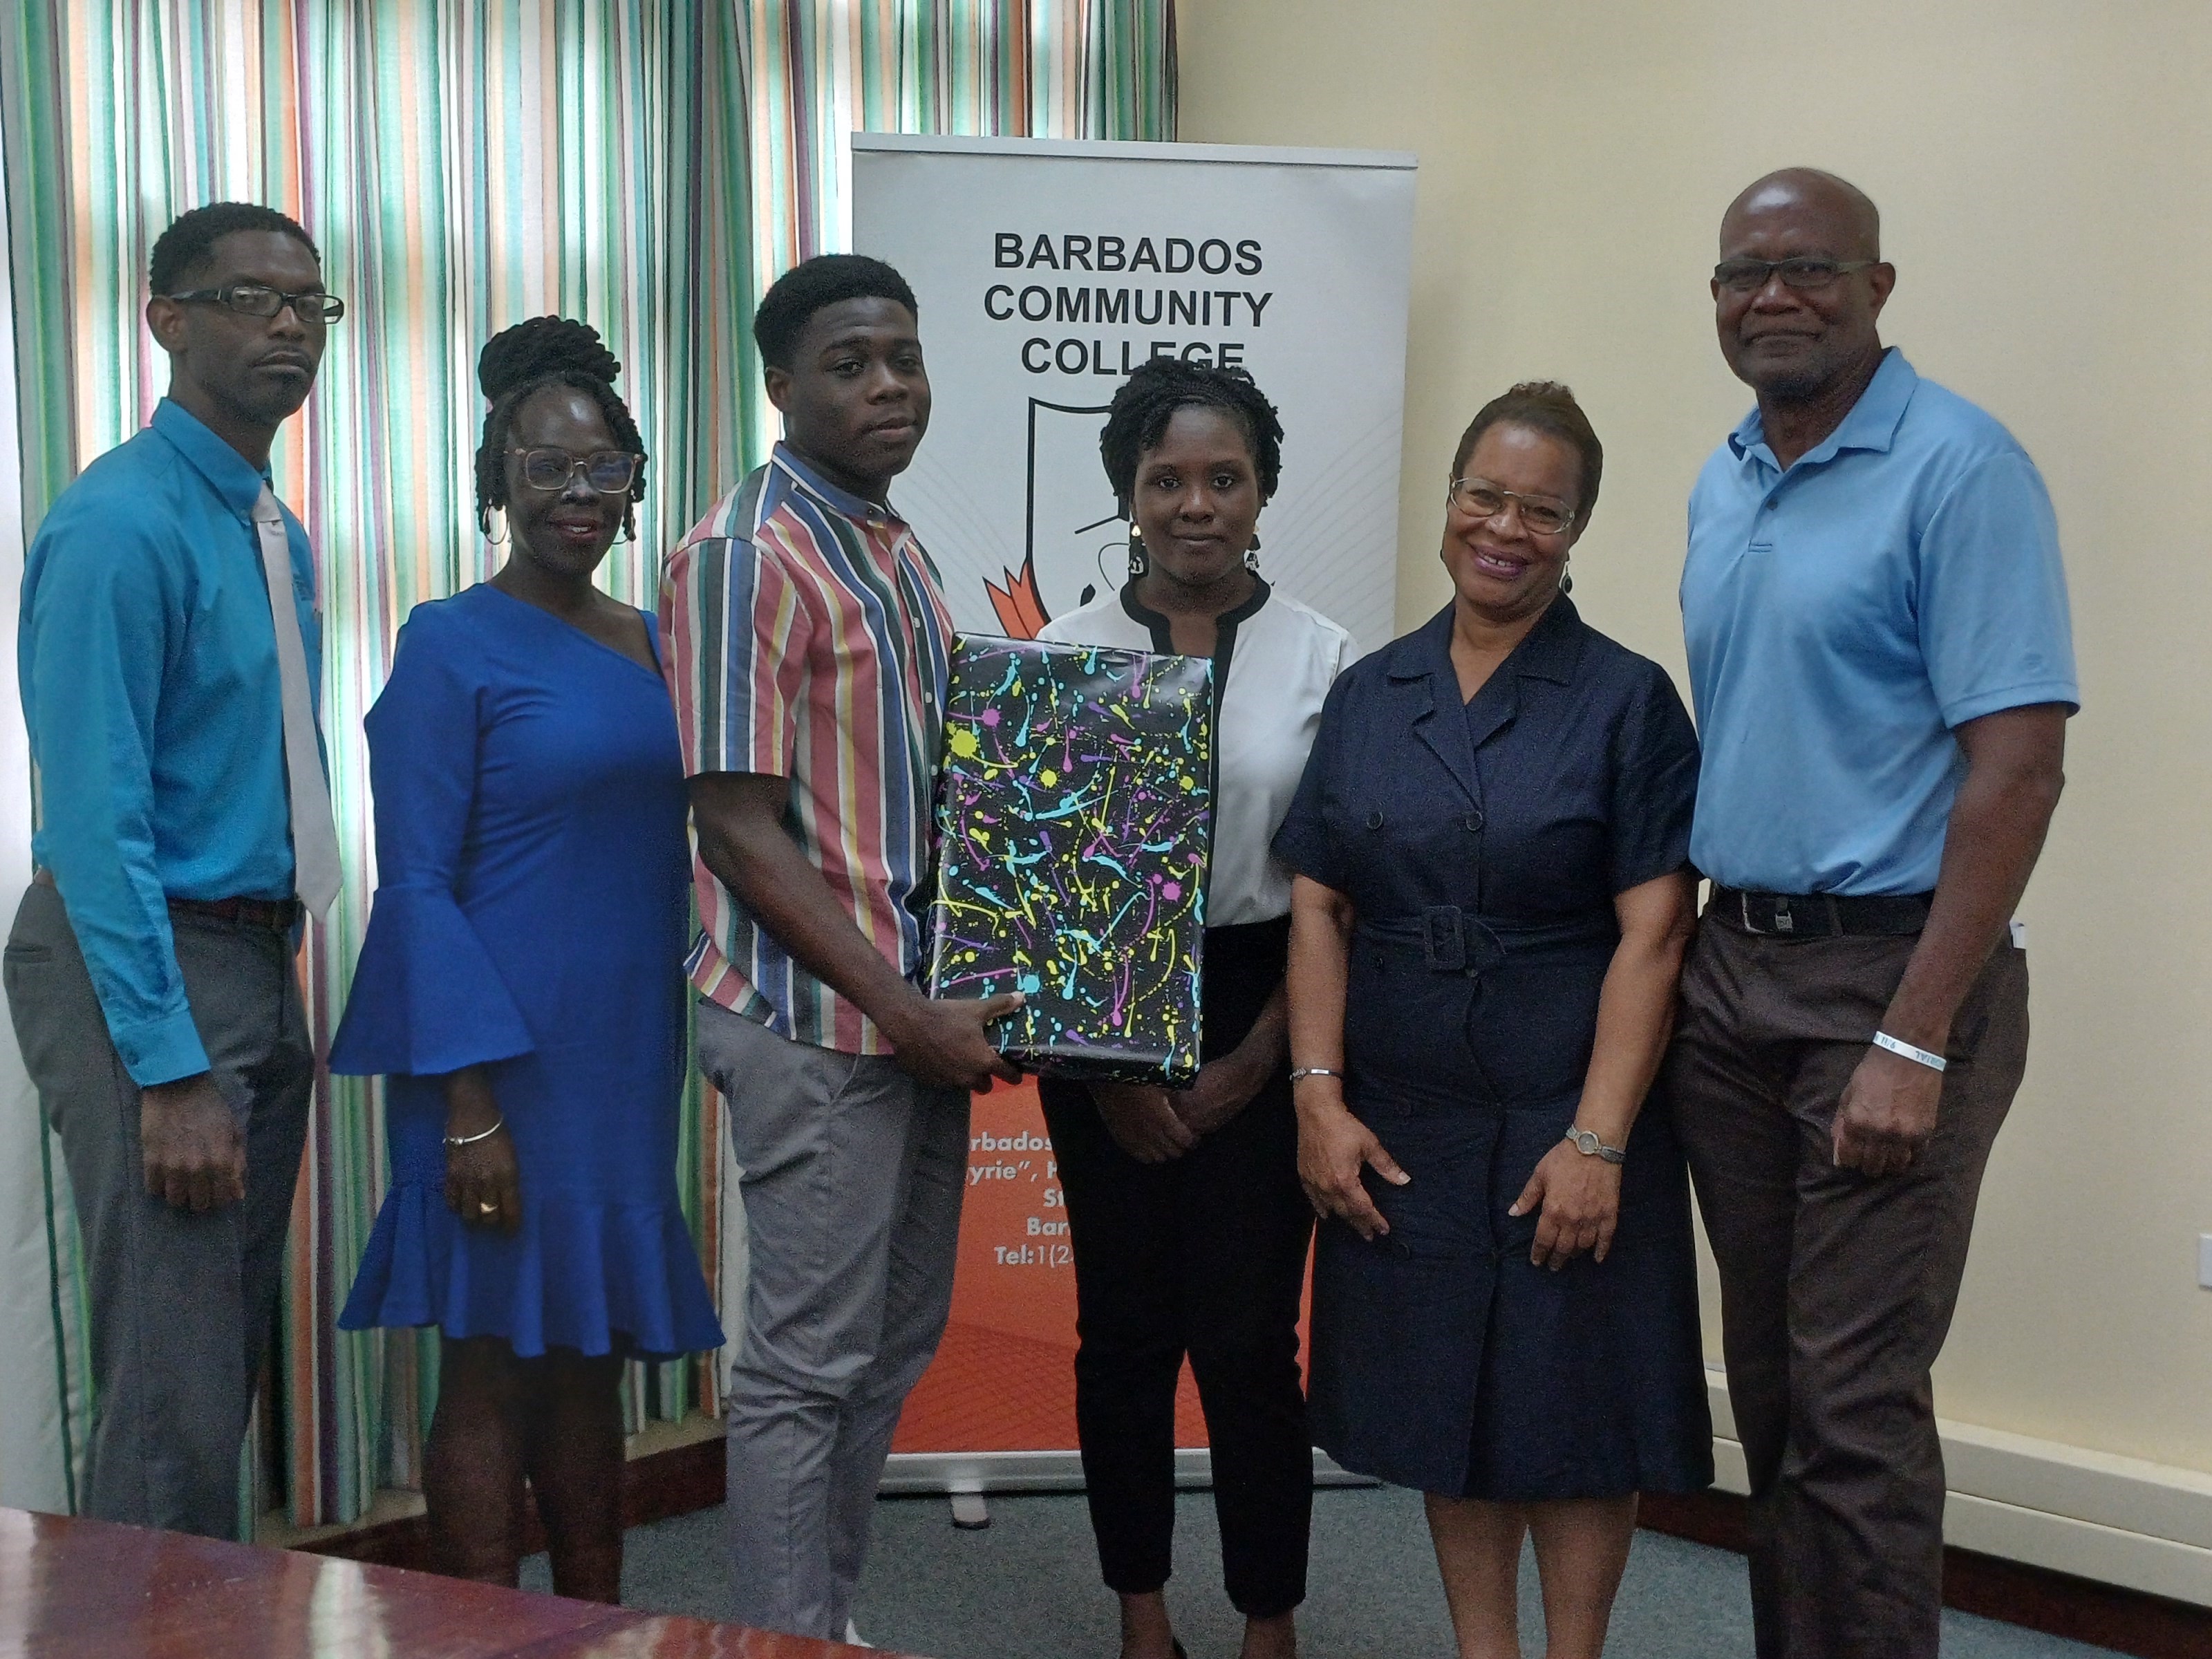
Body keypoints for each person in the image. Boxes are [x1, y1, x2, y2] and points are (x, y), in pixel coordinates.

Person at [1665, 169, 2075, 1659]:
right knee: (1775, 1393)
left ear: (1878, 288)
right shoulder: (1725, 474)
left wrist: (1915, 1038)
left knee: (1852, 1405)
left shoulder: (1963, 469)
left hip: (1889, 987)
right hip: (1733, 978)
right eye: (1743, 274)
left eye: (1809, 268)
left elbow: (2018, 773)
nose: (1773, 295)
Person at [1276, 384, 1712, 1659]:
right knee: (1446, 1414)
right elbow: (1319, 907)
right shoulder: (1372, 692)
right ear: (1451, 498)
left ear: (1577, 531)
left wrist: (1601, 1141)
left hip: (1569, 1114)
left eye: (1542, 510)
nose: (1506, 528)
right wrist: (1317, 1098)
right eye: (1486, 495)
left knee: (1576, 1418)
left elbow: (1658, 934)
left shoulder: (1627, 699)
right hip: (1409, 1120)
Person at [330, 317, 723, 1600]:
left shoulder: (659, 637)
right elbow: (418, 886)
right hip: (492, 1064)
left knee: (588, 1350)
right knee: (492, 1360)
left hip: (620, 1057)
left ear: (636, 480)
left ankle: (594, 1622)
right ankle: (481, 1636)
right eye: (545, 468)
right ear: (495, 476)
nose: (577, 495)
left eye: (603, 469)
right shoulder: (449, 639)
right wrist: (468, 1106)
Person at [660, 254, 1023, 1642]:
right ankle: (779, 1635)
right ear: (781, 386)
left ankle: (824, 1618)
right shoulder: (747, 555)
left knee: (888, 1350)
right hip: (818, 1025)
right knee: (805, 1370)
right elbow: (735, 828)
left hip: (913, 1019)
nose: (888, 387)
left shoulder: (889, 541)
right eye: (850, 364)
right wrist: (904, 1009)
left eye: (904, 359)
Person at [4, 202, 342, 1540]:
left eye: (309, 304)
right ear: (167, 320)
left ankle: (195, 1619)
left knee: (211, 1373)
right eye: (252, 299)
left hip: (249, 954)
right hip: (148, 970)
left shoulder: (265, 522)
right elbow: (95, 821)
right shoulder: (118, 525)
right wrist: (167, 1066)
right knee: (170, 1399)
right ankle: (137, 1630)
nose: (287, 326)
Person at [1032, 359, 1349, 1659]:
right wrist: (1111, 1076)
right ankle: (1142, 1617)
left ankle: (1269, 1621)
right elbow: (1041, 893)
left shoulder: (1328, 660)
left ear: (1263, 491)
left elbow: (1338, 895)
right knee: (1122, 1337)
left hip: (1271, 1003)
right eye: (1167, 480)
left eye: (1225, 478)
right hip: (1097, 1019)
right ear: (1129, 494)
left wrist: (1256, 1065)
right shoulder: (1060, 656)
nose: (1197, 504)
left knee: (1249, 1343)